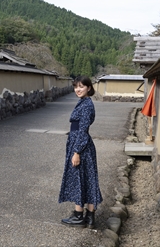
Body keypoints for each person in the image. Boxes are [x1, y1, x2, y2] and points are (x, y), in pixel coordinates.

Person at [59, 75, 102, 228]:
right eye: (76, 86)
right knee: (88, 179)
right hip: (81, 145)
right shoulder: (84, 102)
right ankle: (90, 217)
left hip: (81, 146)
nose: (78, 89)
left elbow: (83, 131)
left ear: (88, 88)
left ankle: (79, 216)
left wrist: (76, 151)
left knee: (79, 178)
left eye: (81, 86)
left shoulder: (87, 105)